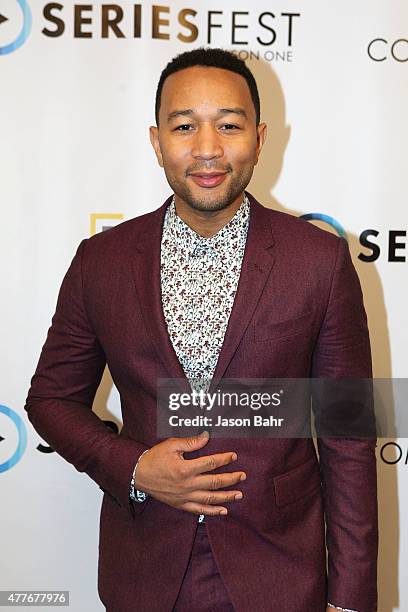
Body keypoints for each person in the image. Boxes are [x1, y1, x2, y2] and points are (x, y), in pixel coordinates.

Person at [25, 47, 378, 612]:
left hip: (281, 571)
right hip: (144, 566)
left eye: (229, 125)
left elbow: (348, 435)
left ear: (260, 138)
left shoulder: (319, 261)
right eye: (184, 126)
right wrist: (135, 467)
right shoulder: (103, 261)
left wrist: (353, 597)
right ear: (157, 140)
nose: (208, 148)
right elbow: (50, 400)